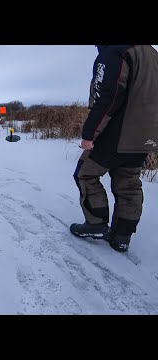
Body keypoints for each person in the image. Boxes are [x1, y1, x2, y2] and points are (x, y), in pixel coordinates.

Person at [70, 45, 158, 252]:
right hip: (144, 135)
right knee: (129, 183)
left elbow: (109, 95)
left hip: (117, 133)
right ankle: (122, 236)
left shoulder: (115, 51)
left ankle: (96, 223)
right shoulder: (152, 53)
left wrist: (90, 133)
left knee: (85, 173)